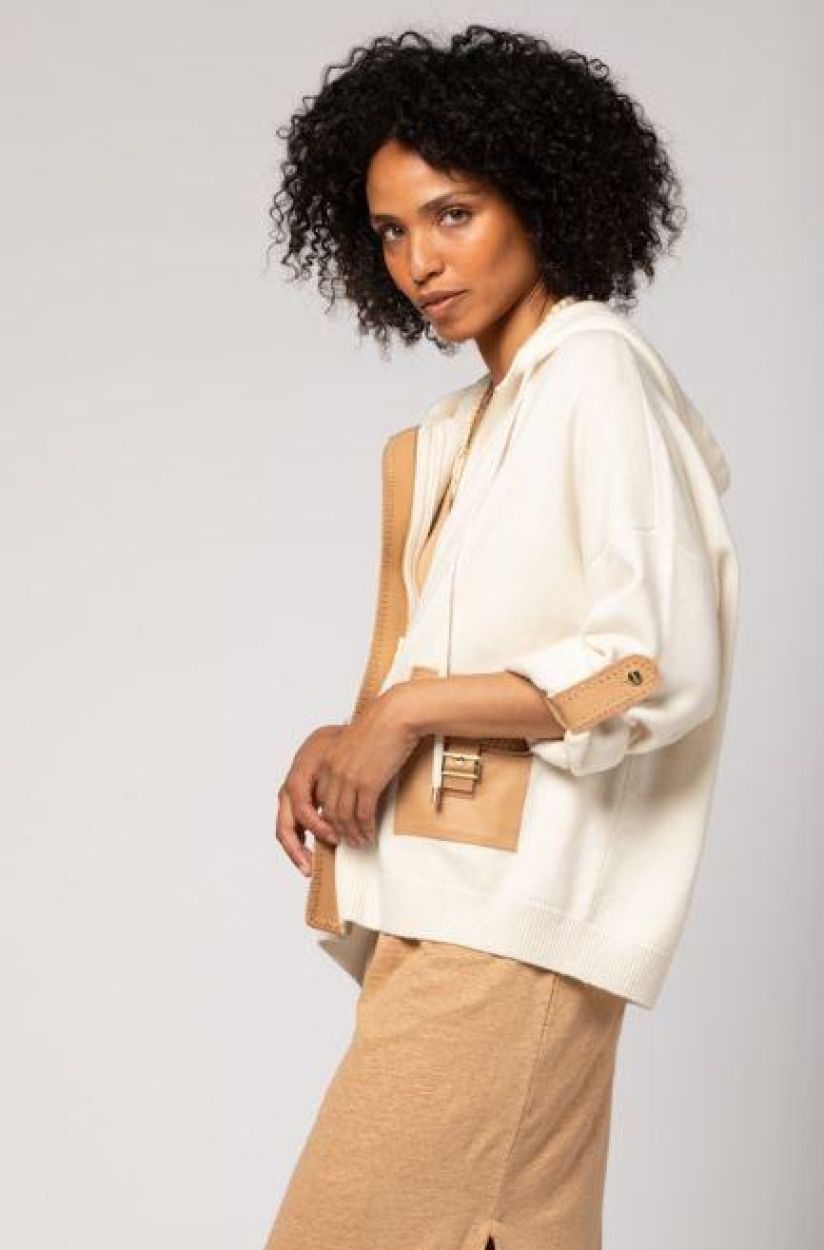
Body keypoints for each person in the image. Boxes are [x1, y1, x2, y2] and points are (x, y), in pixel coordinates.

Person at [264, 24, 739, 1250]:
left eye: (452, 213)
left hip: (509, 925)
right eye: (389, 230)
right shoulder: (466, 422)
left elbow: (648, 662)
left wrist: (408, 712)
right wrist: (349, 730)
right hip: (451, 908)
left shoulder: (591, 372)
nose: (418, 260)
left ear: (538, 195)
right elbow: (457, 649)